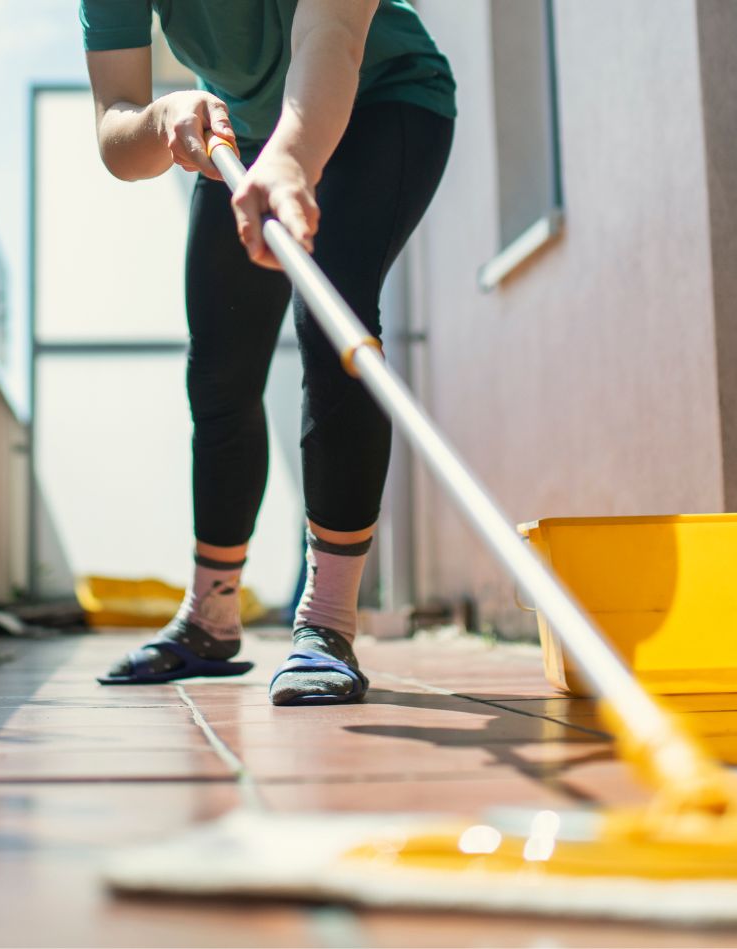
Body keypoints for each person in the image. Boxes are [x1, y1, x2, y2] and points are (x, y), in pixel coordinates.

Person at [85, 0, 455, 705]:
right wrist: (160, 121)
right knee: (220, 368)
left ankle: (326, 622)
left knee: (334, 319)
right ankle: (210, 616)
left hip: (381, 101)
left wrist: (290, 161)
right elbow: (115, 126)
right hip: (243, 133)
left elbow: (332, 35)